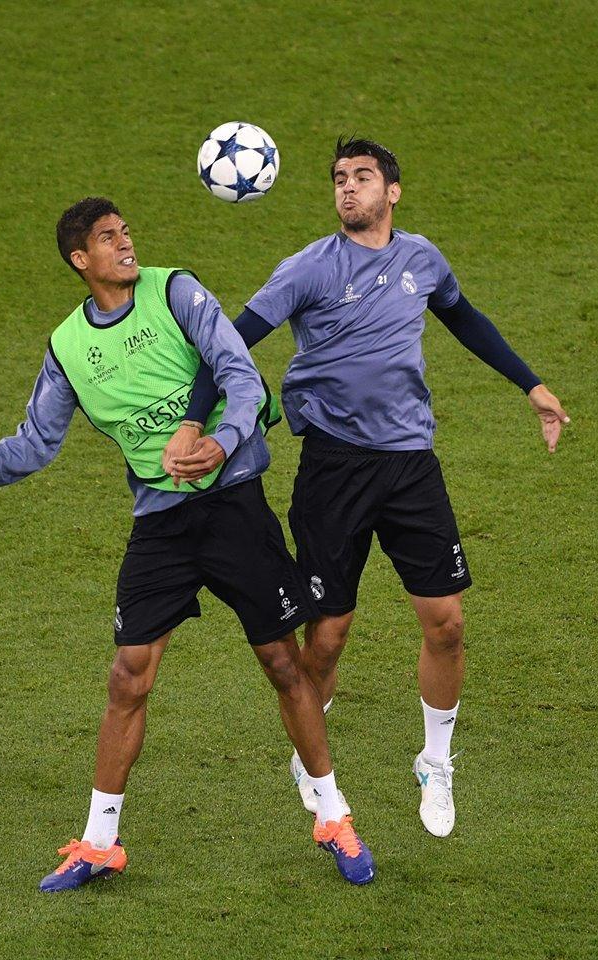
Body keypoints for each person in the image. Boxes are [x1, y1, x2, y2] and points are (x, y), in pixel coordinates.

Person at [0, 197, 376, 889]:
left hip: (234, 508)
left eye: (126, 231)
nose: (125, 243)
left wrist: (218, 442)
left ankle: (333, 816)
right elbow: (35, 442)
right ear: (81, 259)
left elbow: (240, 376)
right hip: (161, 524)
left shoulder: (176, 292)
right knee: (127, 675)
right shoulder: (68, 346)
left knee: (283, 665)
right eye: (108, 238)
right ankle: (99, 842)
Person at [168, 137, 570, 839]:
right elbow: (227, 344)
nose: (347, 187)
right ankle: (312, 757)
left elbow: (464, 318)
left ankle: (435, 760)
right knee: (327, 635)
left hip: (411, 465)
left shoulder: (422, 259)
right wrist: (193, 421)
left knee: (446, 622)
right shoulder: (308, 268)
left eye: (360, 176)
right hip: (334, 469)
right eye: (337, 179)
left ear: (392, 191)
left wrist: (530, 386)